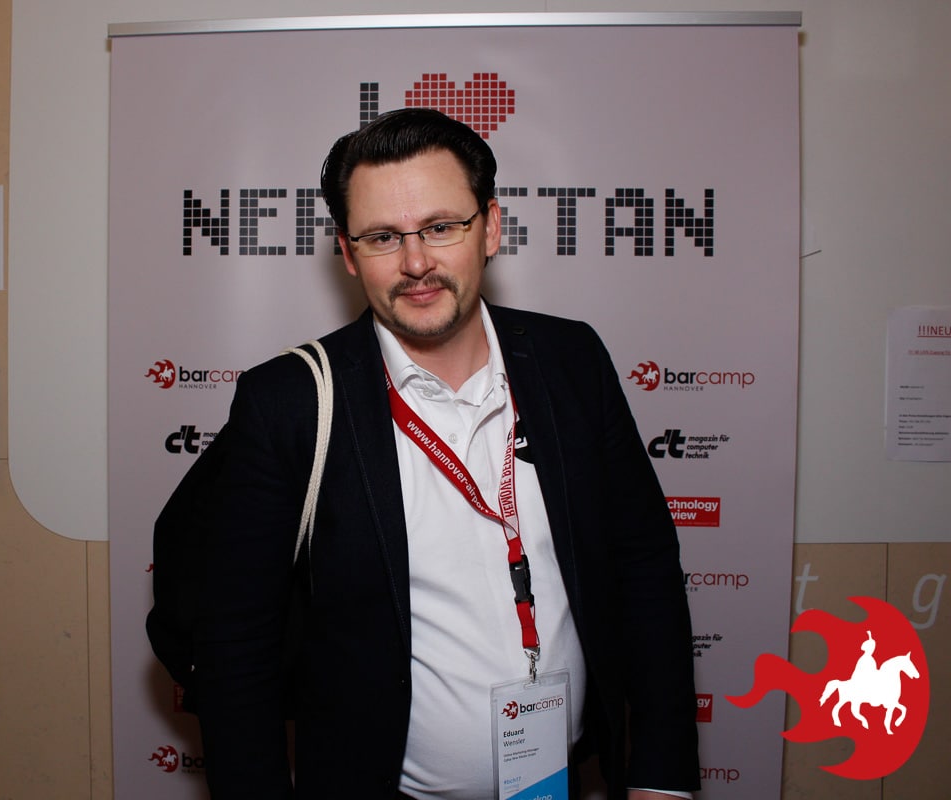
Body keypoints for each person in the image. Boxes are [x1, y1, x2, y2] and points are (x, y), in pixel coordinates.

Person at [192, 107, 699, 800]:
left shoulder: (571, 360)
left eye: (440, 227)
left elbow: (645, 568)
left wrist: (662, 779)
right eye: (382, 237)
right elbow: (236, 646)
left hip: (565, 782)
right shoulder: (289, 403)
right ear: (348, 253)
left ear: (490, 228)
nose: (416, 263)